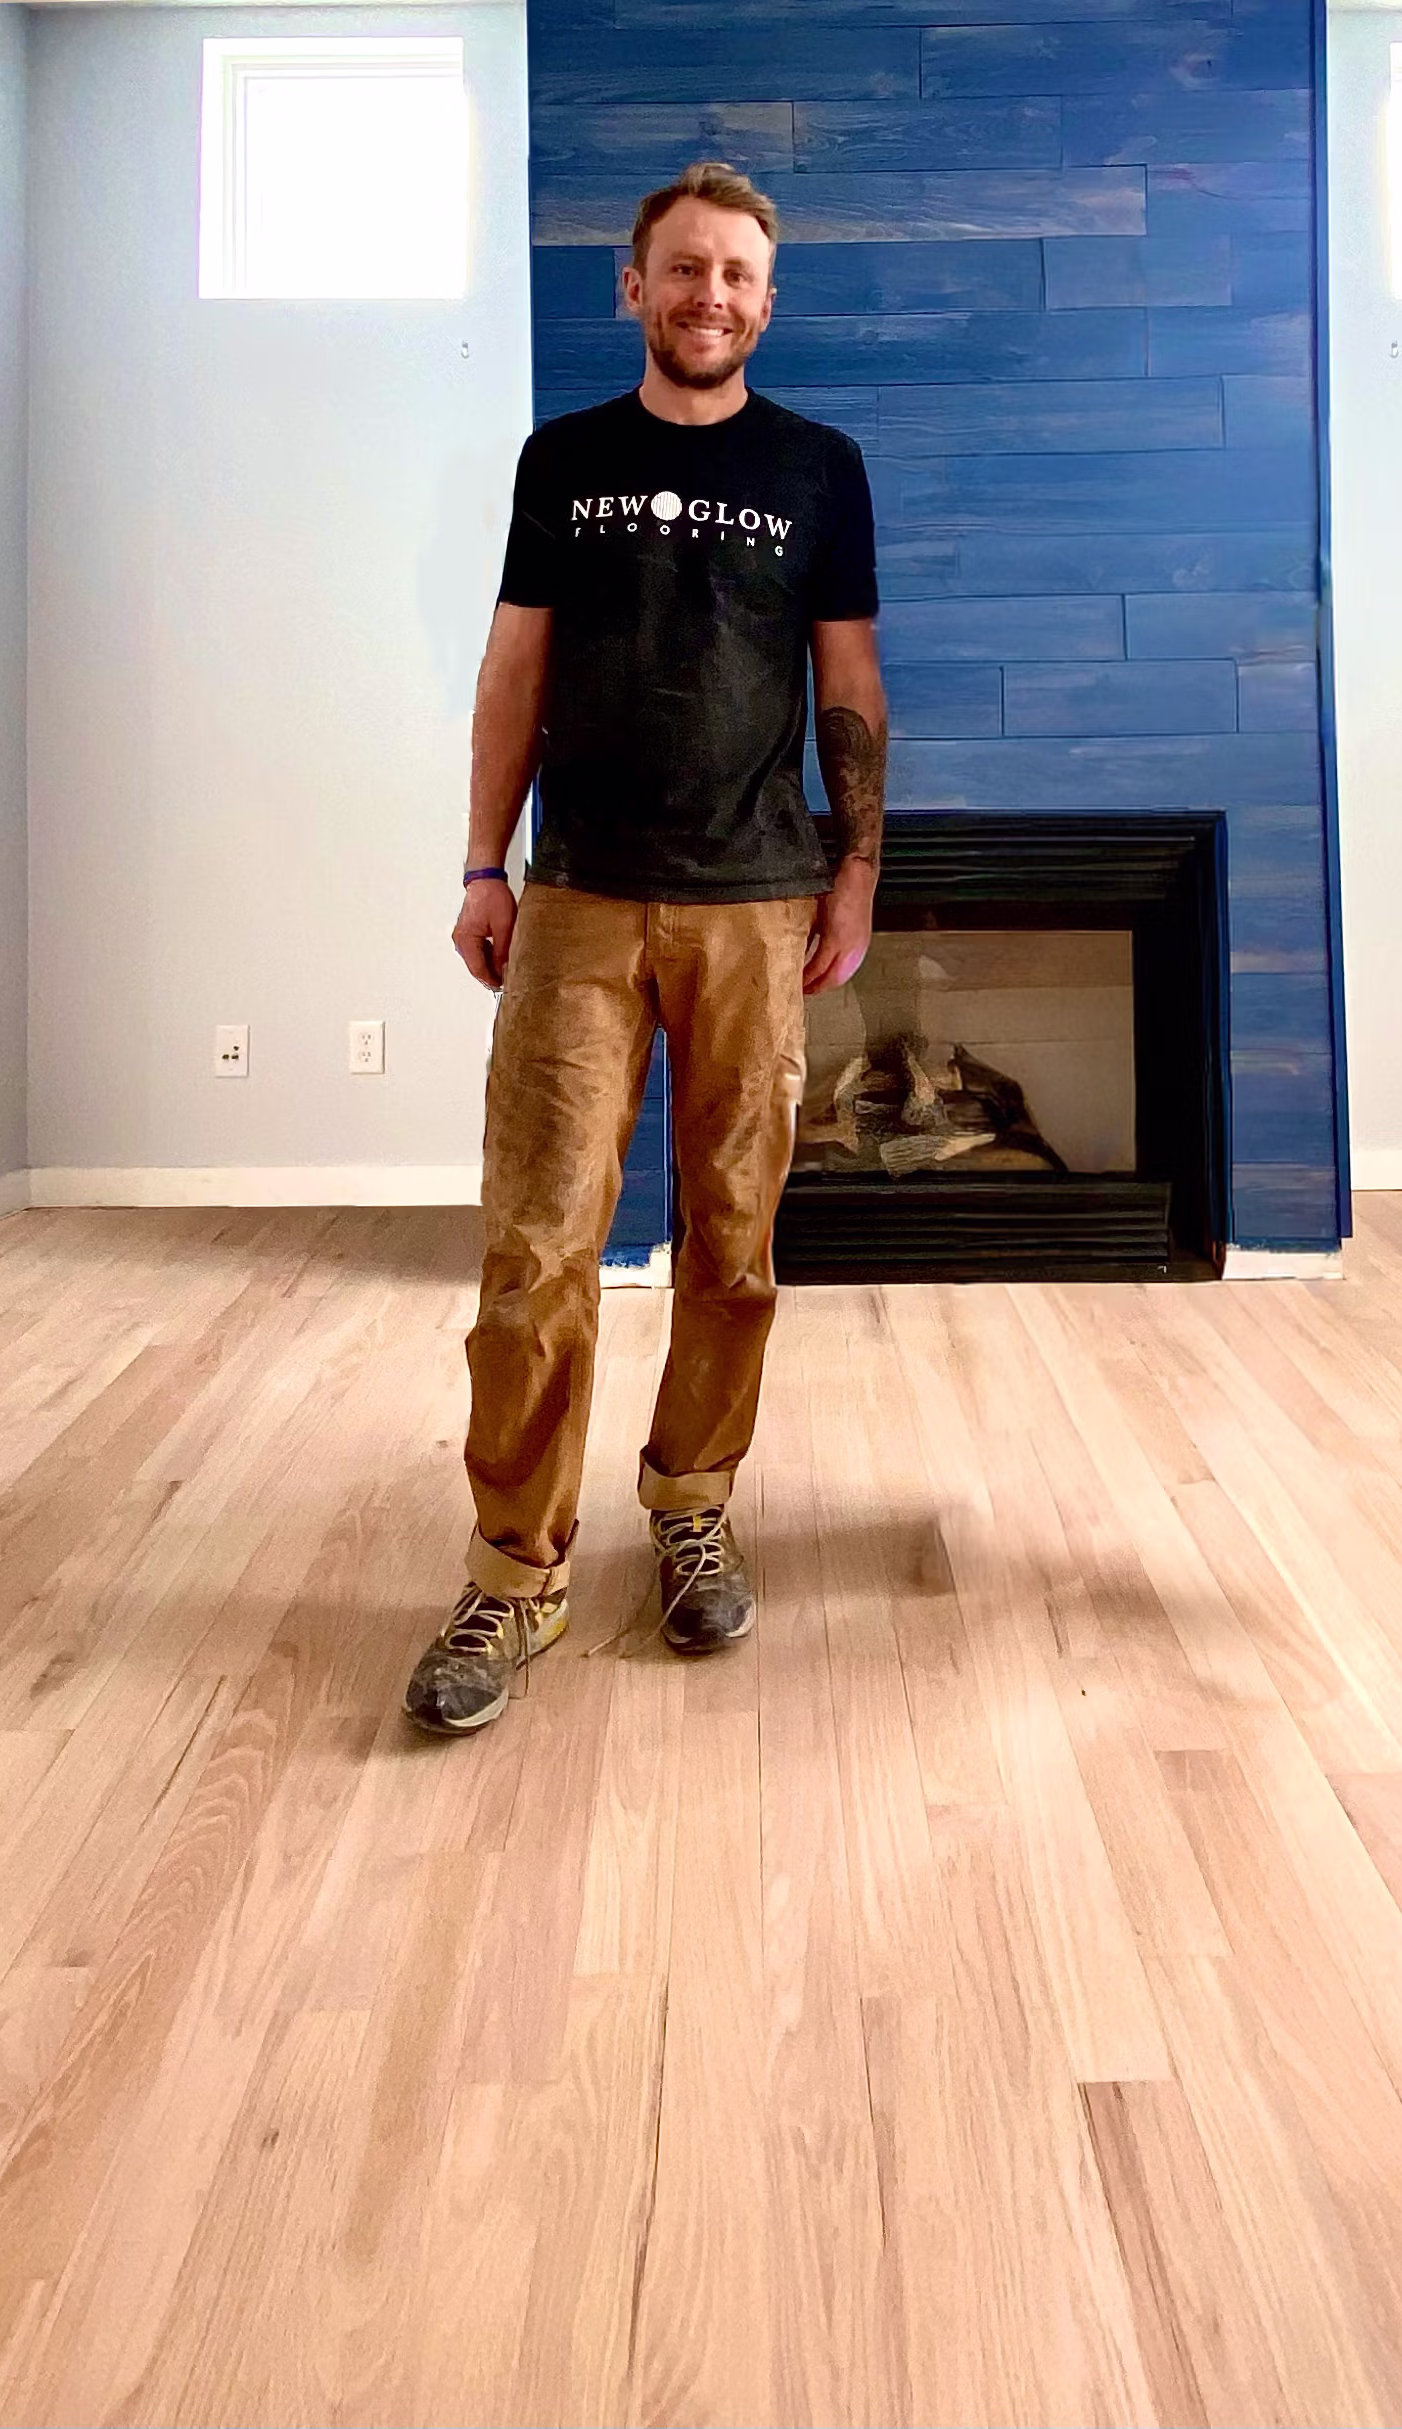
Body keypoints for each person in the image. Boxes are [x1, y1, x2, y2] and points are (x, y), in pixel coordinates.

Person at [404, 162, 887, 1735]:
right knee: (537, 1245)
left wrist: (856, 867)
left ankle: (692, 1504)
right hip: (580, 901)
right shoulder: (565, 460)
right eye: (684, 270)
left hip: (756, 902)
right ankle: (512, 1571)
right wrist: (486, 863)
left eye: (739, 274)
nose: (712, 297)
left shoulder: (822, 468)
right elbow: (512, 668)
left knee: (736, 1239)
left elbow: (851, 687)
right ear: (634, 287)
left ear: (766, 297)